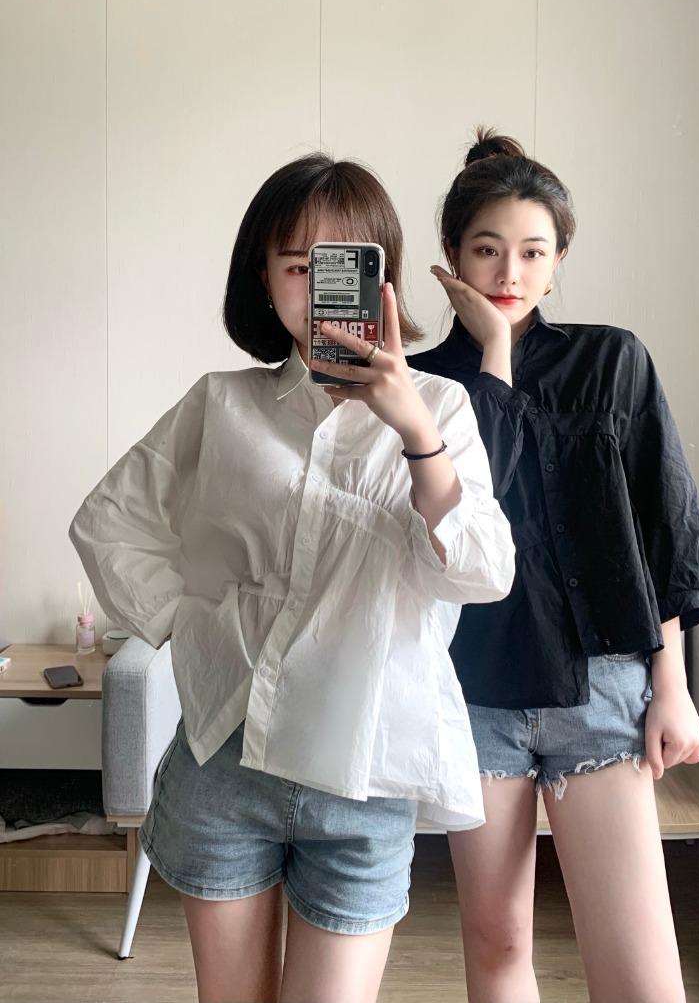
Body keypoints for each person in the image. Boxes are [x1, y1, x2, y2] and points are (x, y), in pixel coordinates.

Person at [69, 152, 515, 1003]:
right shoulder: (221, 404)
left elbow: (485, 571)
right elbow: (108, 521)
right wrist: (191, 626)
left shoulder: (441, 408)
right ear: (264, 280)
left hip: (365, 770)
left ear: (382, 278)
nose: (319, 288)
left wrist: (413, 432)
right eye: (298, 266)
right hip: (226, 761)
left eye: (344, 264)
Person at [407, 128, 699, 1003]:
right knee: (497, 941)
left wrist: (671, 686)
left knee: (638, 965)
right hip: (473, 694)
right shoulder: (421, 387)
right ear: (451, 256)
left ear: (558, 261)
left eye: (533, 252)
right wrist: (495, 358)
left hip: (601, 690)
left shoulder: (613, 360)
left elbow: (662, 535)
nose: (510, 272)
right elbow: (458, 520)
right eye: (487, 249)